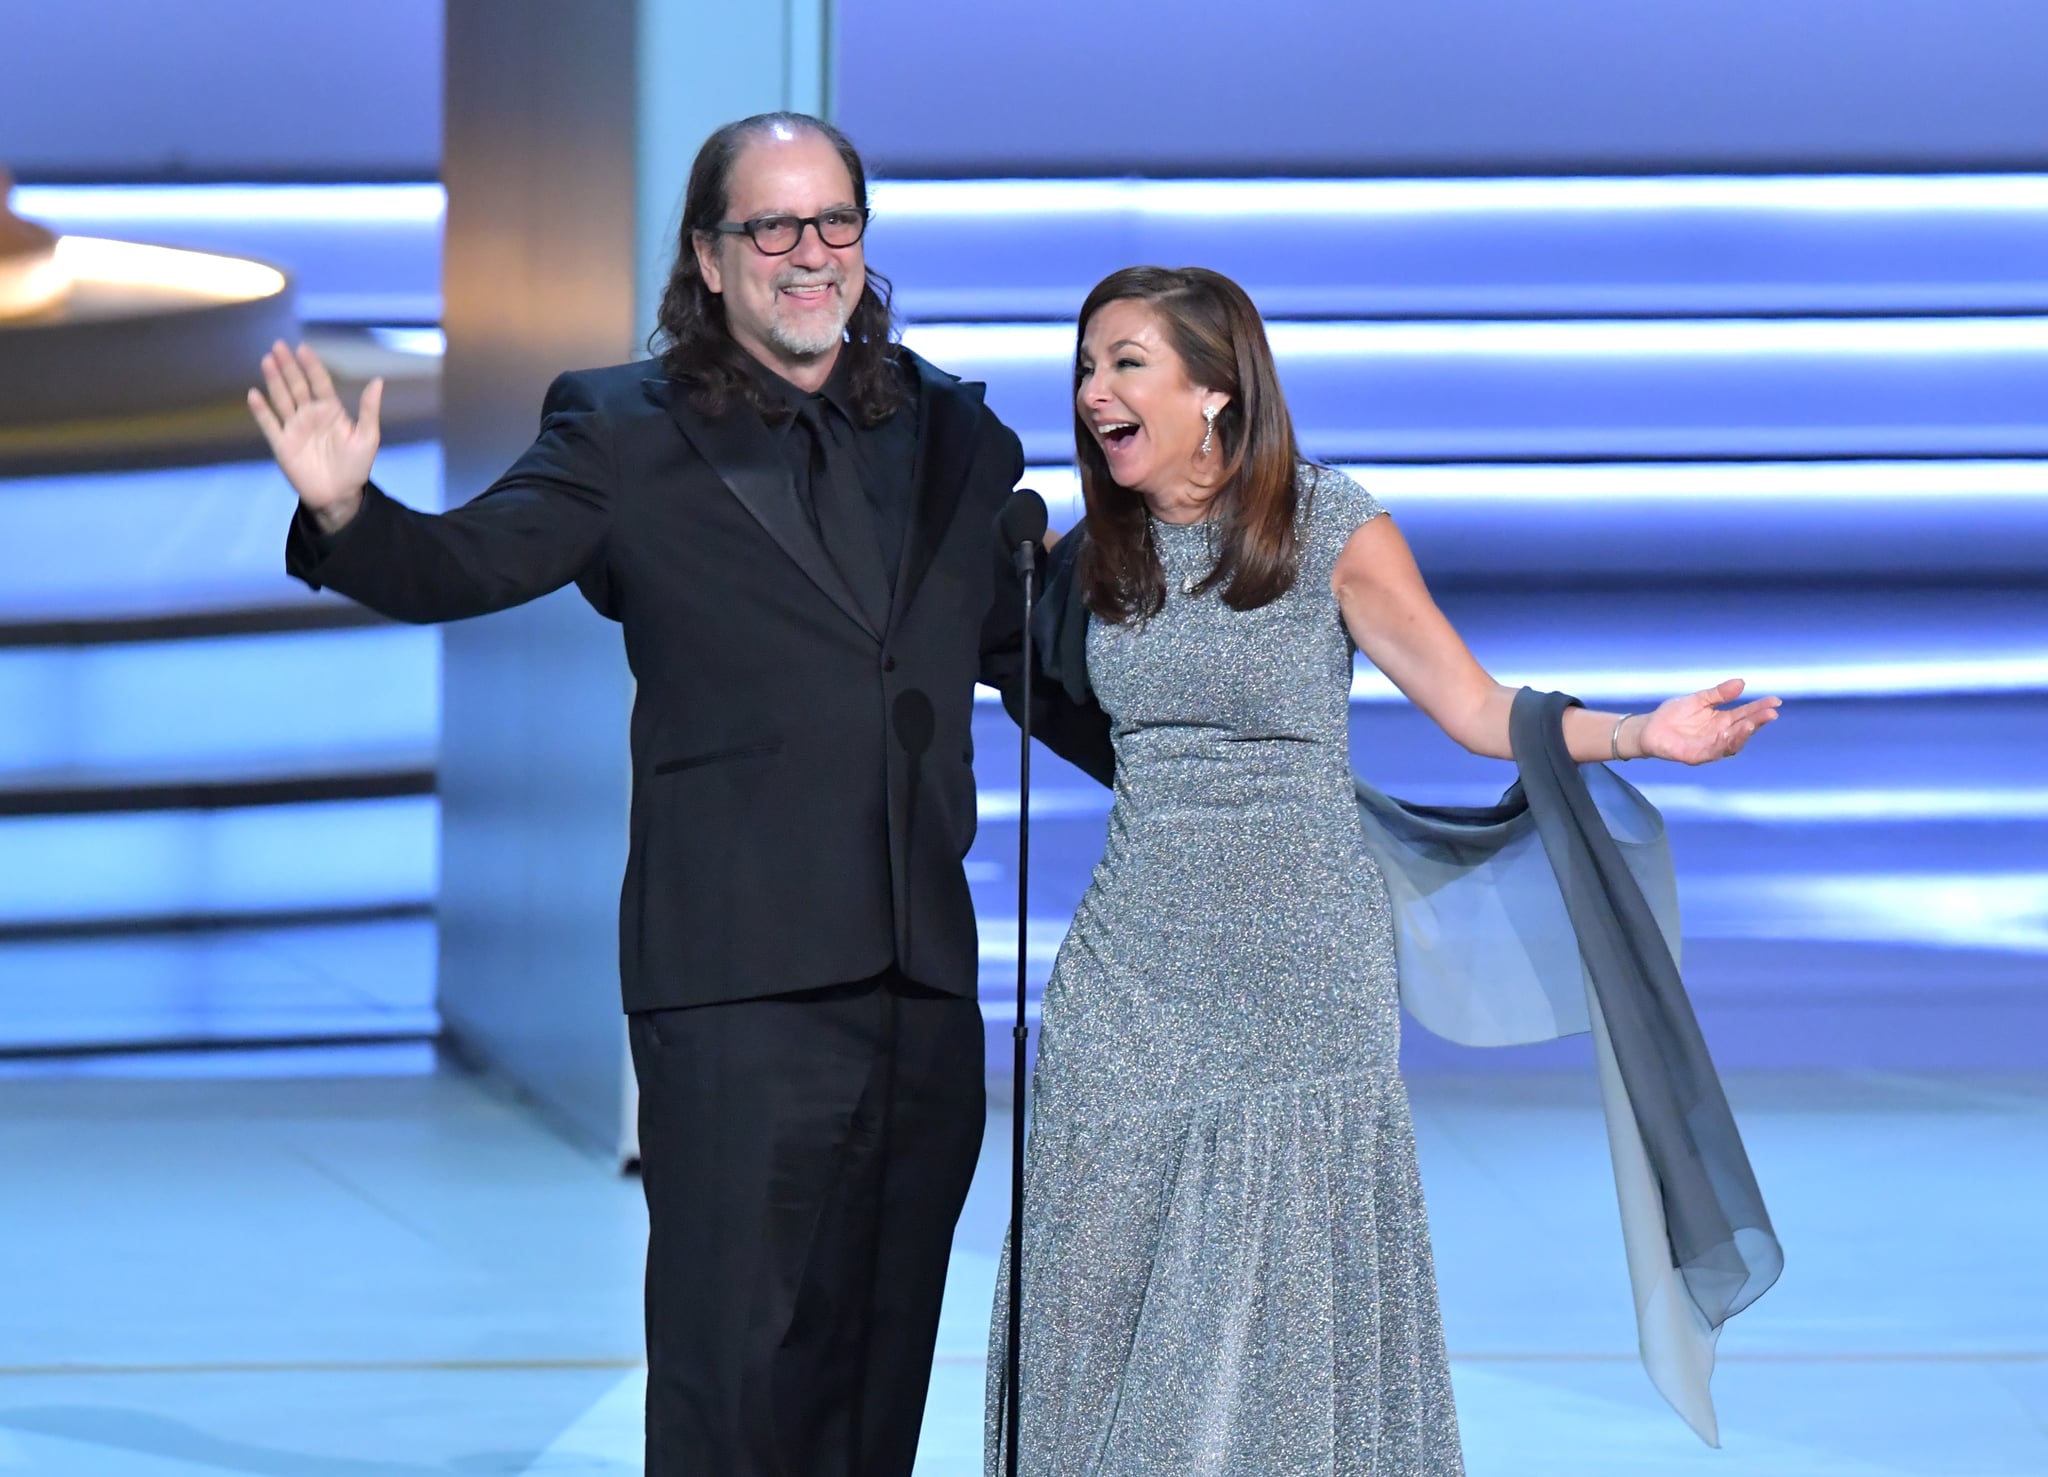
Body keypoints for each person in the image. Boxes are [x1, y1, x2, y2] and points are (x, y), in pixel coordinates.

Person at [247, 112, 1110, 1477]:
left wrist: (1228, 753)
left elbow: (1036, 666)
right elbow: (468, 566)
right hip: (735, 979)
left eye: (834, 222)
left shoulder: (954, 434)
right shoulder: (622, 431)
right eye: (771, 228)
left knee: (878, 1369)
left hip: (922, 978)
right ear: (710, 258)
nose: (808, 255)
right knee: (731, 1372)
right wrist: (353, 517)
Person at [986, 266, 1779, 1475]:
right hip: (1128, 971)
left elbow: (1470, 705)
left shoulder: (1328, 527)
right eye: (1085, 366)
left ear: (1211, 390)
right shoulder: (1094, 554)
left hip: (1300, 974)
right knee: (1090, 1283)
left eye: (1126, 362)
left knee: (1274, 1313)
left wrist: (1638, 732)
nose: (1094, 392)